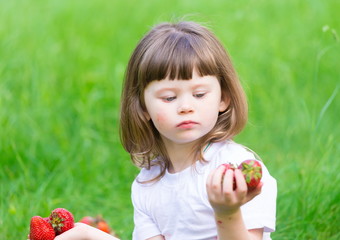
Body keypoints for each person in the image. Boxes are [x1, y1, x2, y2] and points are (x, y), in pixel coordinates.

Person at [56, 21, 277, 240]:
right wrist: (88, 235)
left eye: (199, 94)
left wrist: (227, 212)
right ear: (143, 108)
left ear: (224, 99)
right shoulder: (147, 184)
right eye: (169, 97)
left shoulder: (237, 168)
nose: (186, 107)